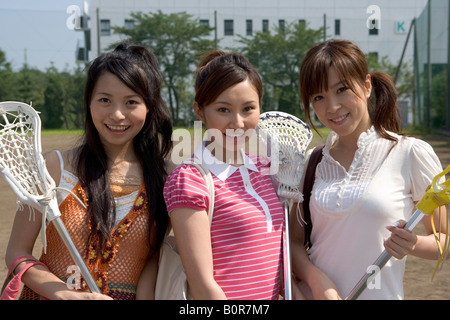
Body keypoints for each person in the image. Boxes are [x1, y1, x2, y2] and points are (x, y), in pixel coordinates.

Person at [5, 43, 173, 300]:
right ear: (89, 102)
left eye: (131, 102)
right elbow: (17, 252)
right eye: (104, 100)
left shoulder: (167, 178)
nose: (117, 114)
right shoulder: (52, 167)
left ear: (148, 106)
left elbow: (154, 259)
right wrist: (65, 294)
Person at [291, 39, 448, 300]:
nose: (332, 107)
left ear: (366, 86)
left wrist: (414, 244)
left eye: (341, 89)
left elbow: (445, 238)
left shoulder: (410, 153)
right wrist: (318, 283)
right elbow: (294, 243)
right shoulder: (310, 161)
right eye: (319, 97)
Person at [163, 51, 285, 300]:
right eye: (223, 109)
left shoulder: (267, 170)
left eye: (248, 108)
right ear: (200, 111)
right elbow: (202, 286)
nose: (238, 123)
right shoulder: (189, 179)